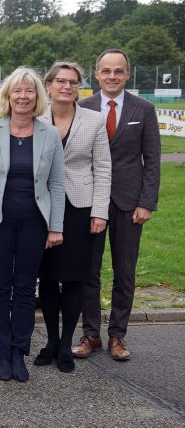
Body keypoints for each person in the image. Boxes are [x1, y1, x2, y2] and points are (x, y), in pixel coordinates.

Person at [0, 67, 65, 383]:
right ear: (7, 97)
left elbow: (57, 183)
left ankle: (17, 352)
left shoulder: (49, 134)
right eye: (16, 91)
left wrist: (55, 226)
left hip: (35, 222)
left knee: (25, 288)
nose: (23, 96)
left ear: (37, 96)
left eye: (29, 91)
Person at [74, 49, 160, 361]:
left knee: (125, 271)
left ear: (127, 74)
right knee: (88, 270)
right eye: (106, 71)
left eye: (118, 71)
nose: (112, 76)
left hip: (128, 202)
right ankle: (91, 334)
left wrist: (146, 202)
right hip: (89, 200)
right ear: (96, 74)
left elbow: (152, 160)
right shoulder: (81, 107)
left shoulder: (144, 109)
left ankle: (118, 336)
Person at [37, 62, 111, 373]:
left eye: (73, 82)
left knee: (75, 278)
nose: (67, 87)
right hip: (42, 208)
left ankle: (66, 343)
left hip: (80, 209)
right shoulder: (35, 118)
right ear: (49, 85)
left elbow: (103, 168)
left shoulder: (93, 120)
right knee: (49, 278)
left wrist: (99, 211)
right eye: (61, 81)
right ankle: (51, 341)